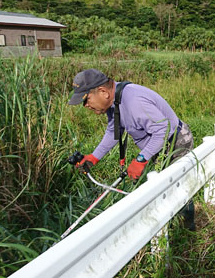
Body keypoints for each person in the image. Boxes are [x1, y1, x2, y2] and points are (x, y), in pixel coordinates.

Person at [68, 68, 195, 230]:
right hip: (159, 147)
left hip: (176, 142)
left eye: (86, 100)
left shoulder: (133, 100)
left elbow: (163, 129)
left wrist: (141, 159)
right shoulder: (115, 102)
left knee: (178, 186)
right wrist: (94, 157)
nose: (86, 105)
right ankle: (168, 225)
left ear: (103, 92)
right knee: (162, 187)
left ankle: (187, 230)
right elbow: (114, 132)